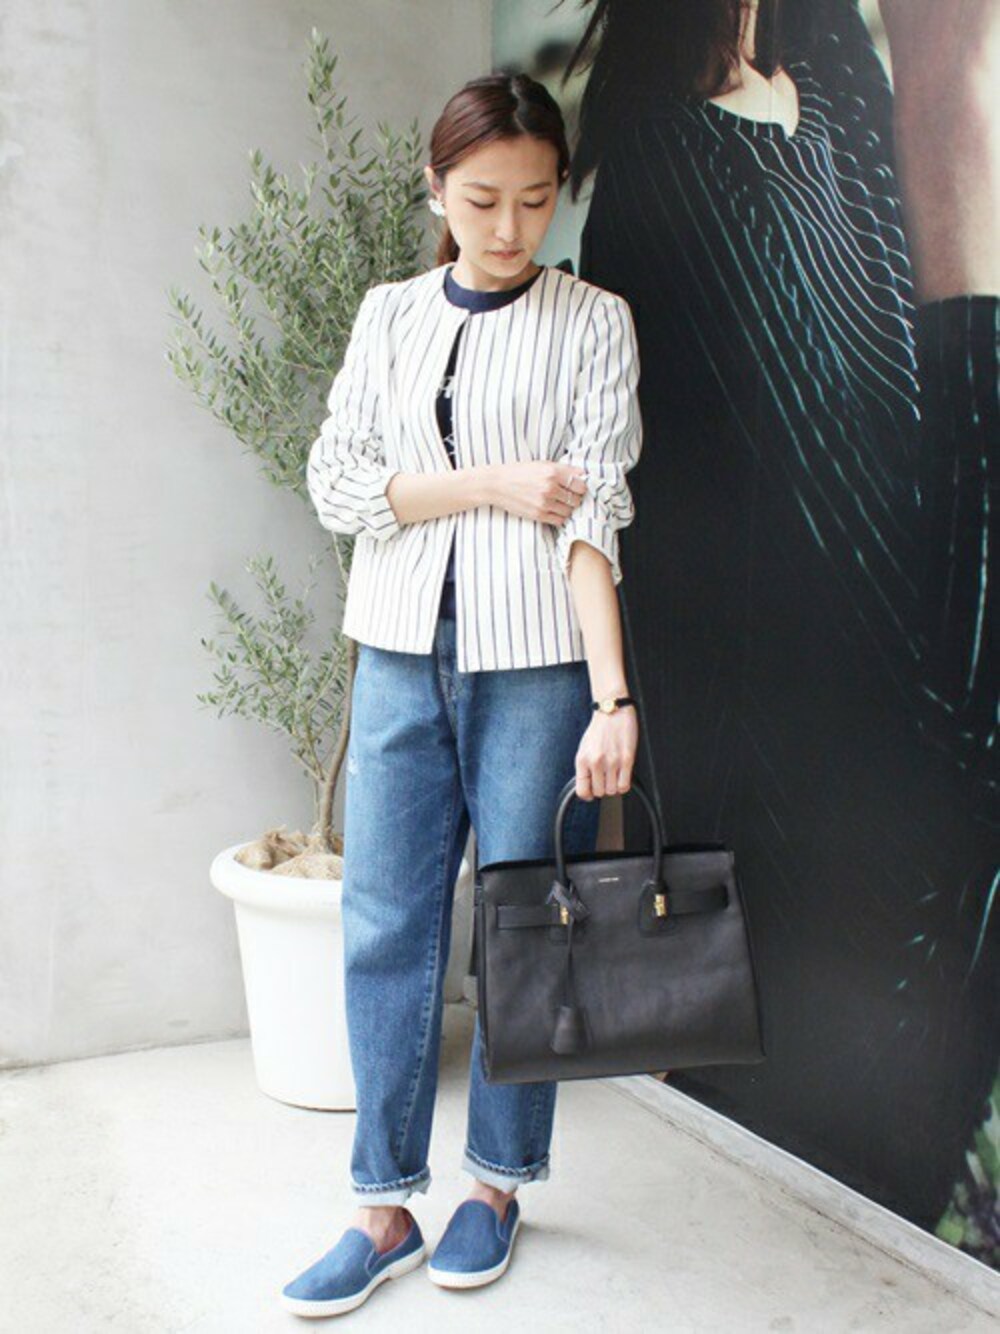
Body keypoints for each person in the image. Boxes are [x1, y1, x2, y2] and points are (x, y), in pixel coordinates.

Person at [562, 0, 997, 1231]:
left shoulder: (842, 82)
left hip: (909, 695)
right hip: (778, 749)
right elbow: (655, 516)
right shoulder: (658, 161)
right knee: (799, 1155)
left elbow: (920, 364)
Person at [281, 72, 643, 1316]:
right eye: (481, 200)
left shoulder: (592, 321)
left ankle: (495, 1184)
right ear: (435, 188)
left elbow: (590, 514)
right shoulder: (387, 316)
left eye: (534, 201)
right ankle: (381, 1203)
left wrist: (611, 697)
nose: (507, 227)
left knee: (523, 921)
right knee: (384, 917)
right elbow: (338, 483)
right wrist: (492, 482)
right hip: (396, 647)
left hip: (535, 660)